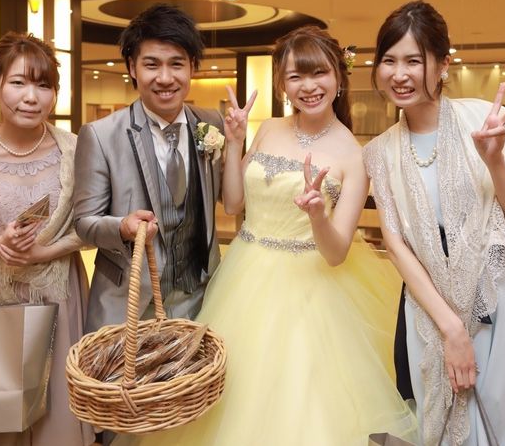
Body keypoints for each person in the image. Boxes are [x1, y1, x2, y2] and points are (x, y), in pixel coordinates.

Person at [115, 25, 418, 446]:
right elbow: (234, 204)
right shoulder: (270, 128)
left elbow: (335, 253)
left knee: (300, 403)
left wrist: (317, 215)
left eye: (319, 73)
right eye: (296, 76)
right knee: (229, 394)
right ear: (282, 84)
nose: (308, 86)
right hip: (245, 275)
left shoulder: (354, 154)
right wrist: (235, 142)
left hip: (314, 289)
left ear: (338, 77)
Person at [363, 0, 505, 446]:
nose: (399, 74)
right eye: (389, 60)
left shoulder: (481, 119)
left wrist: (495, 161)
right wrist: (450, 329)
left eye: (414, 60)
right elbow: (396, 246)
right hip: (428, 310)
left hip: (498, 298)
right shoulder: (380, 152)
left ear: (443, 64)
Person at [0, 32, 94, 446]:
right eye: (18, 82)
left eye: (44, 85)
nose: (31, 97)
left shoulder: (77, 150)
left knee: (60, 417)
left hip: (62, 296)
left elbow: (92, 223)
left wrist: (45, 251)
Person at [74, 2, 224, 331]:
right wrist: (122, 227)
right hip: (127, 307)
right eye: (151, 64)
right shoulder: (100, 135)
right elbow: (84, 223)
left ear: (192, 66)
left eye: (177, 64)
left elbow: (231, 197)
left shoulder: (213, 124)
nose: (165, 78)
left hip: (202, 301)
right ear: (132, 67)